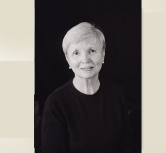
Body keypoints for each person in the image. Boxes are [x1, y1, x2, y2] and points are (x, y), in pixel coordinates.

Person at [41, 22, 131, 153]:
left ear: (103, 54)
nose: (85, 59)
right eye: (76, 53)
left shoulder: (116, 93)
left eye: (92, 51)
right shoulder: (55, 104)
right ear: (68, 60)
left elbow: (126, 145)